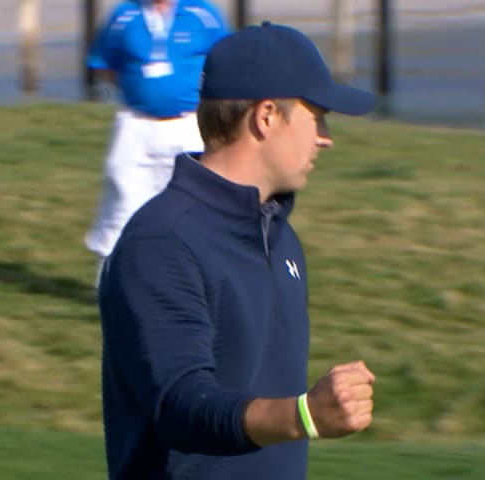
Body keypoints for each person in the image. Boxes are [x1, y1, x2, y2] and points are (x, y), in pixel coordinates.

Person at [98, 21, 378, 480]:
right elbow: (181, 405)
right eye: (317, 116)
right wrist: (304, 415)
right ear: (266, 116)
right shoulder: (162, 242)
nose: (325, 137)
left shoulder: (281, 237)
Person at [84, 0, 229, 287]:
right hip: (136, 124)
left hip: (190, 125)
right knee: (123, 201)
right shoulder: (124, 16)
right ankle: (110, 286)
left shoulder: (204, 14)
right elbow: (106, 65)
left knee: (195, 206)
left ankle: (194, 286)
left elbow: (225, 62)